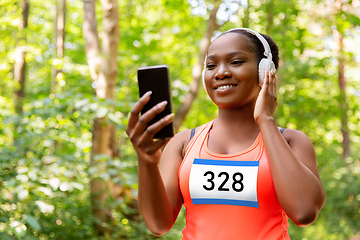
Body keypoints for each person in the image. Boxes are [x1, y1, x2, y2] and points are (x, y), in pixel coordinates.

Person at [126, 28, 326, 240]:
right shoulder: (184, 143)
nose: (220, 72)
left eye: (236, 62)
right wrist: (146, 159)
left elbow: (304, 212)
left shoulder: (291, 141)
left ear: (265, 71)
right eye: (211, 65)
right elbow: (158, 225)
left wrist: (266, 120)